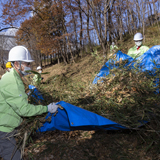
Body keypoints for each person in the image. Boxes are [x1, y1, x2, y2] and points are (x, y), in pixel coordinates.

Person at [0, 45, 59, 160]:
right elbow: (24, 110)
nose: (30, 66)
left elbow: (12, 99)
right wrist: (46, 108)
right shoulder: (13, 81)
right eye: (27, 64)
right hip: (3, 131)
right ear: (17, 64)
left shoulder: (13, 77)